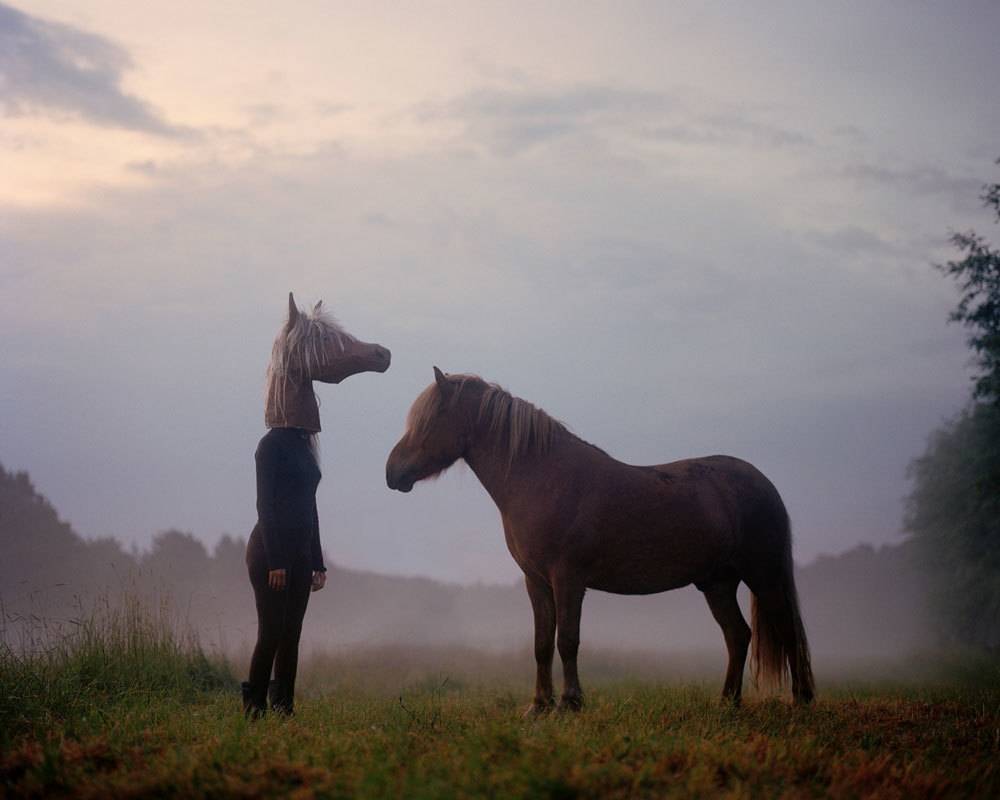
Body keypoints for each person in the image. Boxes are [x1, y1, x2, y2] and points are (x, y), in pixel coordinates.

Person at [242, 293, 390, 717]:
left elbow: (310, 506)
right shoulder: (270, 447)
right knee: (270, 632)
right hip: (272, 551)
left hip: (299, 550)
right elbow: (265, 506)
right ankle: (253, 704)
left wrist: (317, 559)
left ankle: (283, 704)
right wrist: (275, 560)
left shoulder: (304, 448)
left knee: (292, 632)